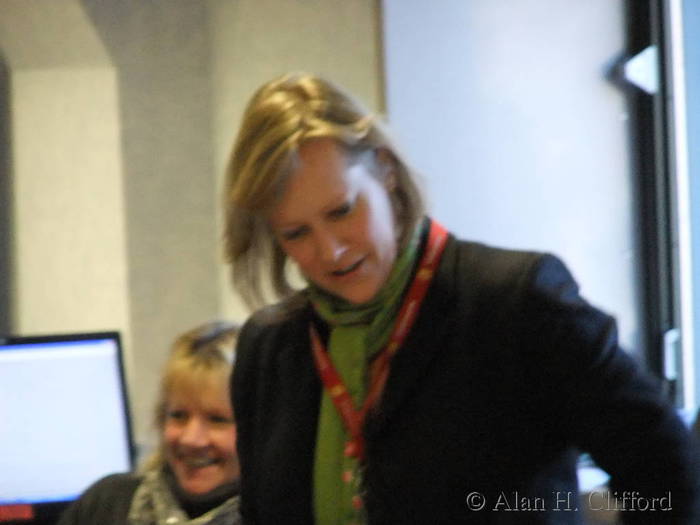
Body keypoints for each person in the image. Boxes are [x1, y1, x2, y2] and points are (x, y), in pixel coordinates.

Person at [223, 73, 700, 524]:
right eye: (296, 232)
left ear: (385, 171)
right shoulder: (268, 348)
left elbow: (669, 474)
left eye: (342, 210)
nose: (330, 250)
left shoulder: (516, 304)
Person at [58, 321, 242, 525]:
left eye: (217, 420)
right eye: (179, 416)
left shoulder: (266, 515)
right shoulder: (105, 504)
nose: (191, 439)